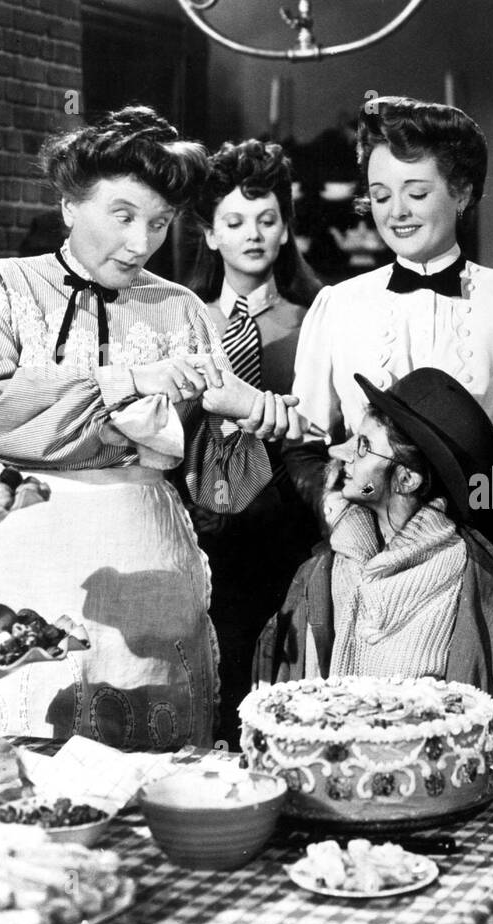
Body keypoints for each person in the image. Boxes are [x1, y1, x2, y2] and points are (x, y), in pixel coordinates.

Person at [0, 106, 302, 753]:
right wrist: (128, 383)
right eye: (123, 216)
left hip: (149, 551)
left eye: (159, 222)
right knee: (17, 743)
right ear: (71, 205)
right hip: (31, 549)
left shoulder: (181, 307)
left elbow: (214, 481)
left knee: (153, 754)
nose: (141, 242)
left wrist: (246, 422)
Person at [285, 96, 493, 562]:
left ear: (461, 192)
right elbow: (304, 448)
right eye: (380, 196)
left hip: (482, 552)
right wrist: (339, 513)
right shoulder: (338, 304)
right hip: (363, 551)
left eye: (416, 193)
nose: (396, 211)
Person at [255, 367, 493, 702]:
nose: (337, 453)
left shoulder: (479, 591)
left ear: (407, 480)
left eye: (363, 446)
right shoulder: (319, 573)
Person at [187, 138, 324, 745]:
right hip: (200, 523)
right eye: (235, 222)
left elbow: (327, 426)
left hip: (286, 524)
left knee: (283, 674)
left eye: (267, 220)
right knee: (215, 667)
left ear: (285, 227)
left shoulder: (314, 317)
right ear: (211, 234)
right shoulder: (184, 318)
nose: (253, 234)